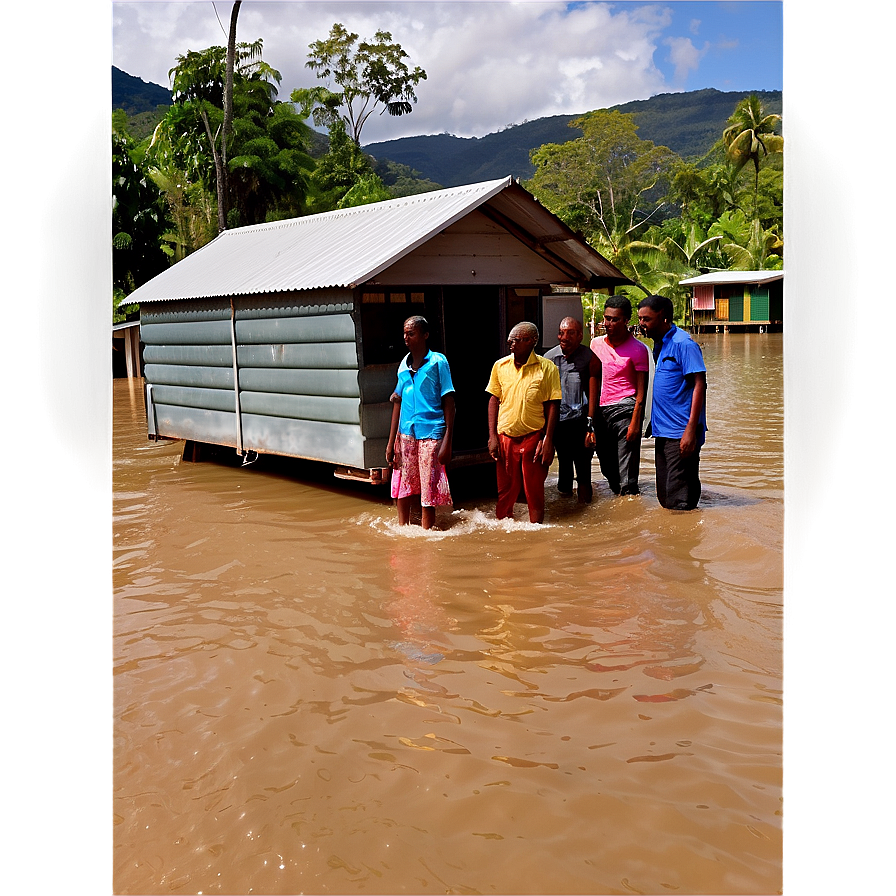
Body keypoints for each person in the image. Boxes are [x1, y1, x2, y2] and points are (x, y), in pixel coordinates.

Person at [486, 322, 561, 523]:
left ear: (532, 341)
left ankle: (536, 534)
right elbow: (493, 399)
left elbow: (553, 405)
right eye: (511, 340)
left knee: (534, 492)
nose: (512, 344)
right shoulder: (500, 366)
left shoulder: (547, 368)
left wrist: (547, 440)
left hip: (533, 438)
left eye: (518, 340)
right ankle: (505, 533)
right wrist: (493, 436)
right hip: (506, 437)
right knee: (505, 492)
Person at [636, 295, 707, 510]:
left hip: (680, 432)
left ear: (663, 318)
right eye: (640, 319)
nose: (641, 324)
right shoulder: (660, 344)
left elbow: (699, 385)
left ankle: (684, 540)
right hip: (664, 431)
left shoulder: (683, 344)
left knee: (679, 498)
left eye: (646, 319)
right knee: (665, 495)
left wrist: (690, 431)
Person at [385, 316, 455, 529]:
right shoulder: (403, 365)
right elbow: (397, 401)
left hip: (431, 433)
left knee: (428, 487)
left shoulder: (437, 362)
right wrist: (391, 443)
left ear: (425, 335)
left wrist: (447, 442)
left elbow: (449, 402)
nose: (406, 338)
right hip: (406, 433)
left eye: (411, 333)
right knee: (403, 483)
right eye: (405, 333)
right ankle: (402, 529)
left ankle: (427, 534)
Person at [589, 296, 649, 496]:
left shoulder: (638, 350)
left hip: (626, 410)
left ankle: (630, 503)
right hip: (601, 411)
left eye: (614, 320)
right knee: (606, 466)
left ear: (626, 321)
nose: (609, 324)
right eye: (607, 319)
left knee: (627, 471)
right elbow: (593, 380)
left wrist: (635, 423)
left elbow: (642, 391)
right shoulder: (595, 345)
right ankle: (620, 499)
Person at [544, 317, 600, 503]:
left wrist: (591, 424)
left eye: (570, 333)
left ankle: (586, 511)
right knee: (564, 465)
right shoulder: (549, 359)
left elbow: (594, 392)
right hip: (558, 423)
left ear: (579, 336)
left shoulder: (590, 358)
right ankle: (565, 510)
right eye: (561, 332)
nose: (564, 337)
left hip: (581, 421)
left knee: (583, 468)